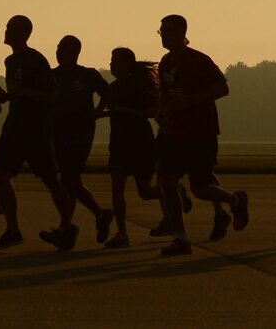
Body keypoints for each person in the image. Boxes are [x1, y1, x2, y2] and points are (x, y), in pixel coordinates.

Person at [153, 13, 248, 256]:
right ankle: (181, 237)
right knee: (167, 181)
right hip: (173, 132)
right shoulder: (164, 63)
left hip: (200, 132)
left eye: (167, 30)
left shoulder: (199, 60)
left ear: (181, 33)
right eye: (160, 30)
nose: (162, 34)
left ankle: (235, 200)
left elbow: (223, 88)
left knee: (200, 188)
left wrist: (192, 100)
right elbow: (164, 92)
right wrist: (162, 112)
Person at [0, 15, 80, 251]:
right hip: (14, 129)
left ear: (23, 33)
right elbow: (21, 92)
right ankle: (13, 230)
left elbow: (51, 95)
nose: (5, 31)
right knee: (0, 175)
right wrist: (8, 96)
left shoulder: (35, 60)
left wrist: (21, 91)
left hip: (36, 131)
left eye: (10, 28)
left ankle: (67, 226)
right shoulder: (10, 61)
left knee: (51, 180)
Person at [100, 48, 174, 248]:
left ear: (126, 64)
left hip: (140, 142)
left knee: (145, 192)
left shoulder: (139, 86)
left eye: (115, 61)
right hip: (118, 143)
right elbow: (110, 111)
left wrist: (121, 110)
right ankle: (121, 233)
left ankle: (174, 193)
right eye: (111, 60)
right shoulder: (112, 87)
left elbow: (152, 111)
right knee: (117, 187)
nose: (111, 65)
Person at [51, 35, 114, 244]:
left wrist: (98, 109)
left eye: (64, 49)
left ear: (76, 52)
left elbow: (107, 92)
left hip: (81, 135)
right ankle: (100, 214)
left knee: (67, 180)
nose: (59, 53)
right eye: (58, 48)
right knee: (72, 181)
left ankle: (66, 227)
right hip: (58, 134)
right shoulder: (52, 76)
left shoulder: (87, 75)